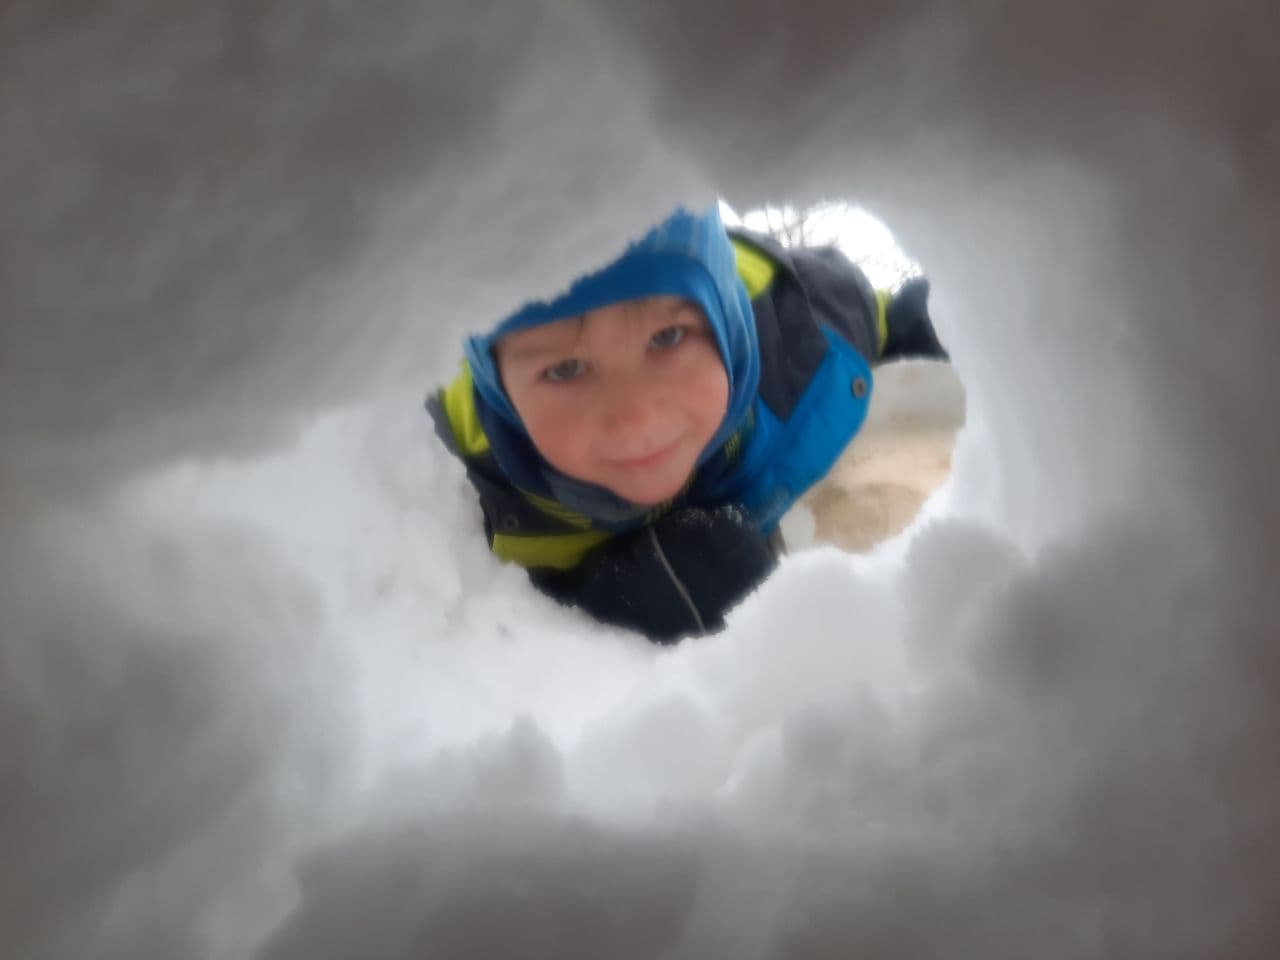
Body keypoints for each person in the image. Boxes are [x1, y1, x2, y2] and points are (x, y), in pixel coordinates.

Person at [426, 205, 946, 642]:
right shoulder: (463, 476)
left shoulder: (800, 324)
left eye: (667, 339)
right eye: (565, 370)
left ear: (724, 321)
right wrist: (612, 596)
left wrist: (931, 334)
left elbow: (908, 316)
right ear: (497, 385)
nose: (637, 420)